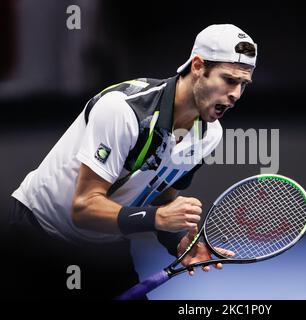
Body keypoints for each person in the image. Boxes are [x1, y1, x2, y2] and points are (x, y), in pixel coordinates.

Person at [4, 24, 257, 299]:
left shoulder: (209, 134)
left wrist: (179, 241)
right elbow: (83, 208)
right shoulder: (124, 110)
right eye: (229, 80)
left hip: (105, 246)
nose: (236, 95)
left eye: (243, 84)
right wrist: (157, 219)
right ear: (197, 66)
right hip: (39, 236)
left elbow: (162, 196)